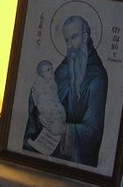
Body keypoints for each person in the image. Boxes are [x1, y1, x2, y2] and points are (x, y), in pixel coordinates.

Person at [24, 15, 108, 167]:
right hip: (49, 142)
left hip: (72, 156)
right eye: (67, 40)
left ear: (85, 36)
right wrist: (41, 114)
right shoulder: (64, 68)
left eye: (73, 38)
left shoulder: (97, 79)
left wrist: (65, 130)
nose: (70, 45)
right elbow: (49, 95)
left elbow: (94, 132)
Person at [29, 60, 66, 129]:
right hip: (47, 115)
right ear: (41, 74)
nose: (51, 71)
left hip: (59, 113)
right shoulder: (38, 86)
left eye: (51, 68)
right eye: (48, 70)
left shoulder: (53, 83)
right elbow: (38, 104)